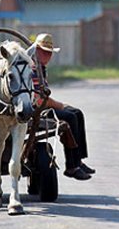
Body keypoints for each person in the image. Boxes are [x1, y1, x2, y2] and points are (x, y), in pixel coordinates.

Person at [27, 33, 95, 181]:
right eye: (44, 52)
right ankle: (72, 166)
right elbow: (38, 101)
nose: (48, 55)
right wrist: (60, 105)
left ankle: (78, 161)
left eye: (49, 52)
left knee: (77, 113)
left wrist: (59, 105)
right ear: (36, 50)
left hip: (42, 107)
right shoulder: (32, 68)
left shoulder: (40, 67)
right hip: (34, 110)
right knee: (70, 117)